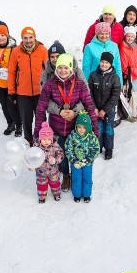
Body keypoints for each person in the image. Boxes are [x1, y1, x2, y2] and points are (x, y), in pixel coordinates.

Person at [34, 54, 99, 193]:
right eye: (60, 67)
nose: (63, 71)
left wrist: (95, 130)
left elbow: (89, 106)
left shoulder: (80, 84)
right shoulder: (50, 84)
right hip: (56, 127)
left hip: (74, 128)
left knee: (74, 152)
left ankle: (76, 176)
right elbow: (40, 109)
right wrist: (37, 134)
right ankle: (66, 175)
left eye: (65, 68)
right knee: (60, 152)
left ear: (71, 68)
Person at [88, 53, 121, 160]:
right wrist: (94, 108)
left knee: (108, 129)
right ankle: (98, 146)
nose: (104, 64)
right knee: (98, 127)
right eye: (102, 61)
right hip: (96, 108)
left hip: (109, 109)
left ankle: (109, 149)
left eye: (107, 62)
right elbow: (89, 93)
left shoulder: (115, 77)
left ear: (111, 64)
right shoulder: (93, 75)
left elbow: (115, 95)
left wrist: (105, 110)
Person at [64, 111, 100, 203]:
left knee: (87, 178)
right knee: (76, 178)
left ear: (88, 127)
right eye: (79, 127)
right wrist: (73, 159)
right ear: (76, 127)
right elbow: (68, 148)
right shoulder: (72, 136)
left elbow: (96, 149)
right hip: (76, 162)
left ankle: (87, 194)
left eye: (84, 127)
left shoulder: (91, 137)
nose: (81, 130)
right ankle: (77, 194)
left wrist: (89, 159)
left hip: (87, 162)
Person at [31, 122, 65, 203]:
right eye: (44, 139)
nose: (46, 141)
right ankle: (42, 196)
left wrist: (55, 160)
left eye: (49, 139)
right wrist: (31, 166)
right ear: (40, 139)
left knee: (55, 184)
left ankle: (56, 194)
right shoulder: (36, 147)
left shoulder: (55, 146)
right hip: (40, 172)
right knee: (41, 185)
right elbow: (31, 158)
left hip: (53, 171)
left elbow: (61, 154)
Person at [119, 26, 137, 121]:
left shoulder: (135, 46)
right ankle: (127, 113)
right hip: (127, 76)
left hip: (134, 76)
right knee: (128, 95)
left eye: (132, 36)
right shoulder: (123, 47)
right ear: (125, 36)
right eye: (128, 36)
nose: (129, 38)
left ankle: (132, 112)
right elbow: (125, 66)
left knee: (135, 93)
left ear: (135, 37)